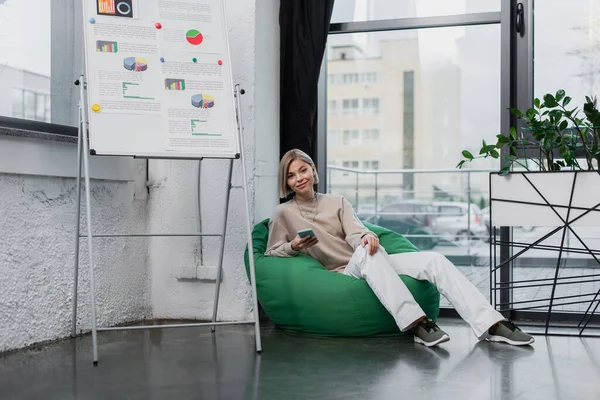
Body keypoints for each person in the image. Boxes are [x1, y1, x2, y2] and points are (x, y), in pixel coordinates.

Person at [265, 149, 534, 348]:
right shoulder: (283, 213)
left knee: (434, 260)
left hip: (366, 260)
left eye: (302, 170)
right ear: (285, 182)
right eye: (291, 176)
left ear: (313, 170)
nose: (298, 178)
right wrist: (294, 245)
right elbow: (270, 253)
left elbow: (357, 231)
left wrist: (368, 237)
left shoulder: (337, 201)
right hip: (342, 273)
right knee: (367, 255)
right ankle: (417, 323)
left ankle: (491, 323)